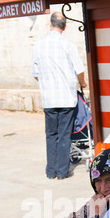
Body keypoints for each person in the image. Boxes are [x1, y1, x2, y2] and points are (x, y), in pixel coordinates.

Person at [31, 12, 87, 179]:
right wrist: (82, 83)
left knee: (51, 135)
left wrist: (46, 82)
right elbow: (79, 69)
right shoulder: (68, 44)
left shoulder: (39, 44)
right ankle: (62, 172)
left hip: (49, 98)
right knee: (64, 135)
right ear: (65, 26)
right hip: (66, 97)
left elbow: (35, 73)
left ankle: (51, 171)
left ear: (50, 25)